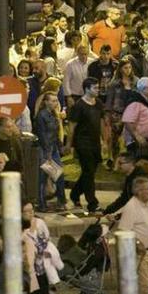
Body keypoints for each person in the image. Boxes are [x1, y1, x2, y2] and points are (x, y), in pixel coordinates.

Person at [66, 77, 103, 213]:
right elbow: (72, 126)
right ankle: (92, 202)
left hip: (95, 142)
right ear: (87, 89)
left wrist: (104, 140)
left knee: (90, 171)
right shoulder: (79, 106)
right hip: (82, 142)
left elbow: (102, 122)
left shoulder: (98, 103)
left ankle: (75, 194)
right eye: (95, 87)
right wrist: (69, 144)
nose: (98, 89)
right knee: (88, 172)